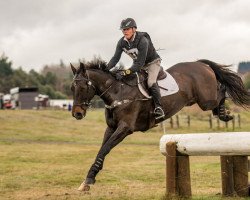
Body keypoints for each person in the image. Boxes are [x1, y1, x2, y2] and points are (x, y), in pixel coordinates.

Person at [107, 17, 165, 120]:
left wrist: (125, 72)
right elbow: (115, 58)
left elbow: (139, 64)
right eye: (123, 30)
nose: (125, 32)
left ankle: (158, 108)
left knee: (151, 82)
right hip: (138, 64)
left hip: (152, 63)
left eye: (127, 29)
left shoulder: (143, 40)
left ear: (134, 29)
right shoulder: (121, 43)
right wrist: (106, 69)